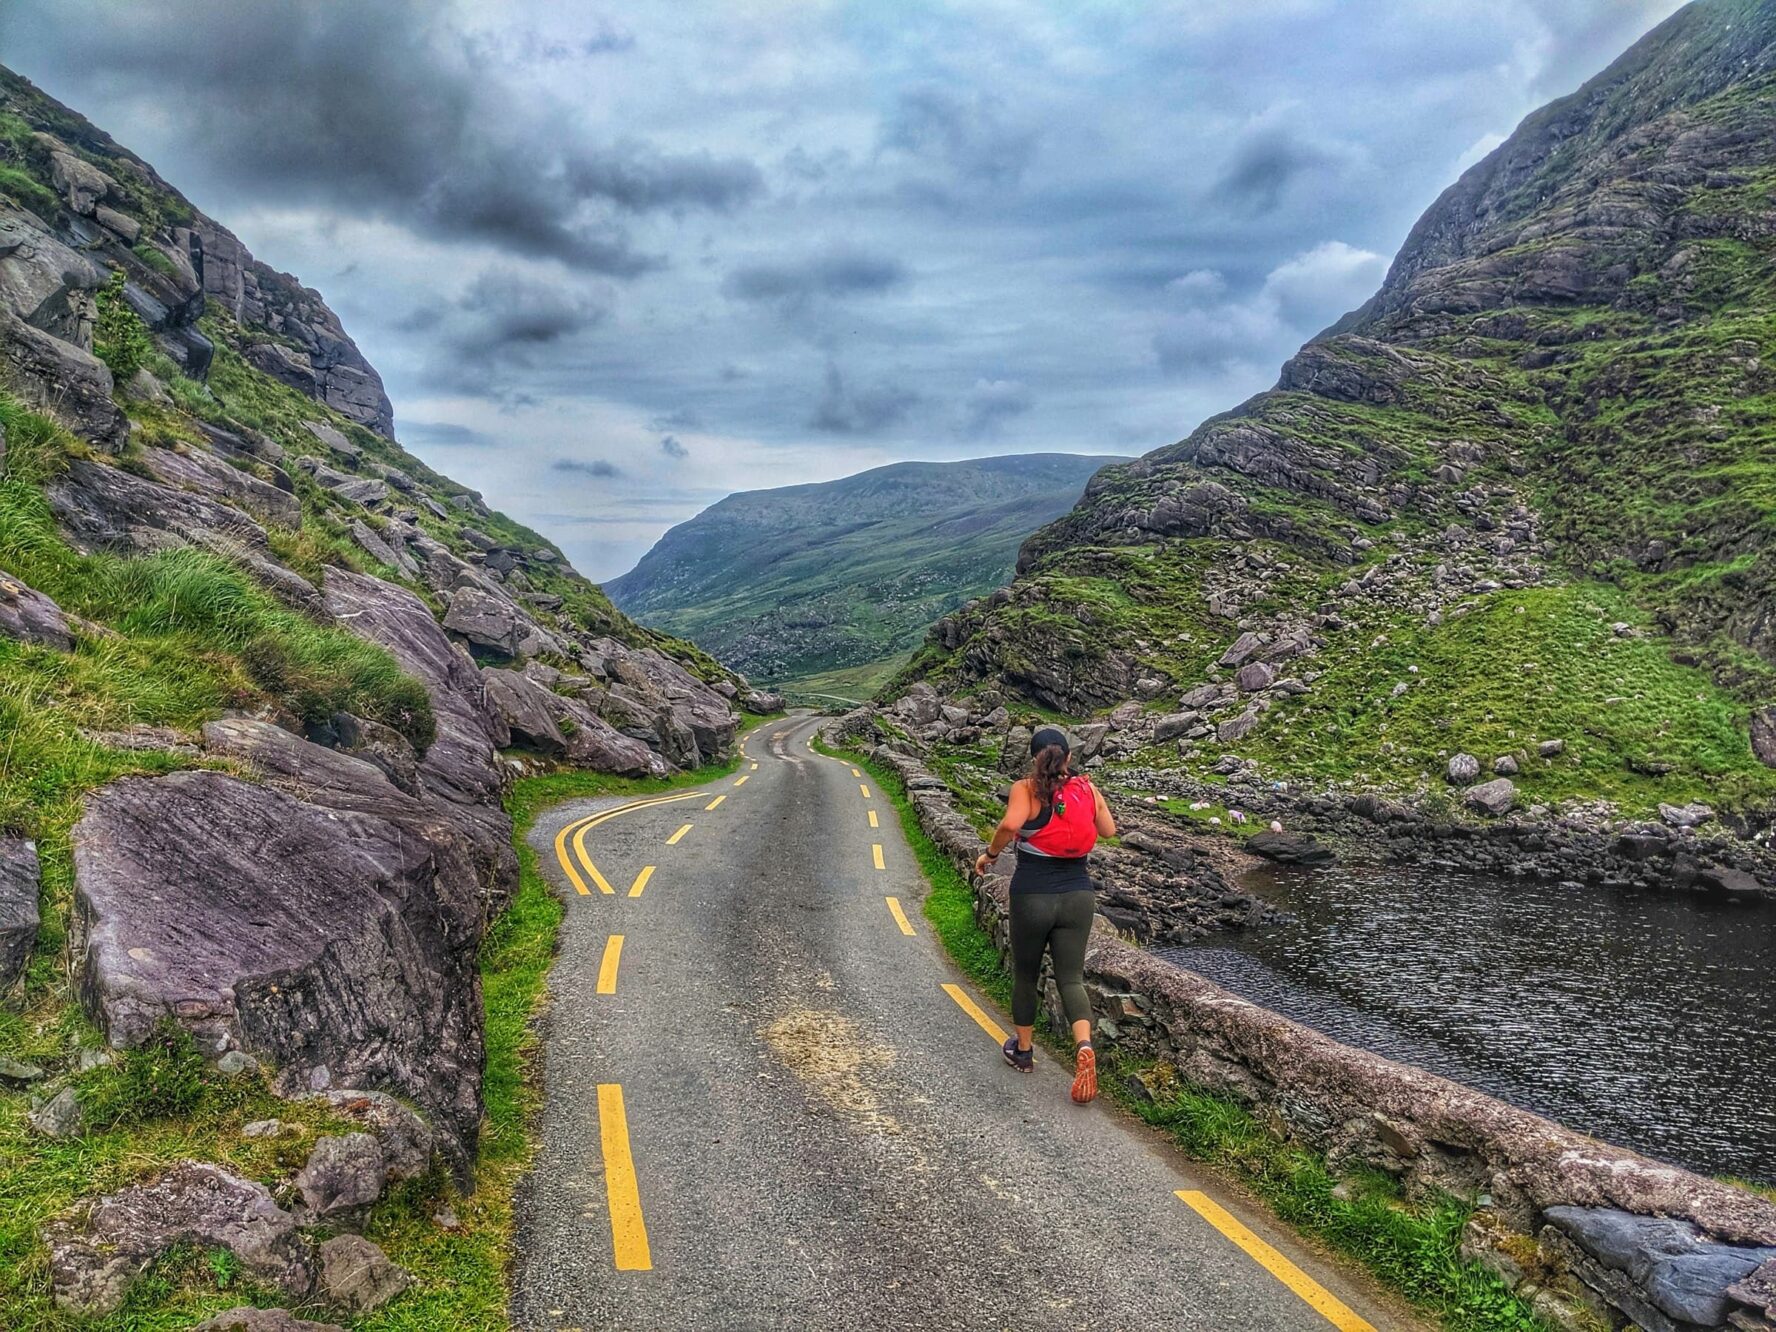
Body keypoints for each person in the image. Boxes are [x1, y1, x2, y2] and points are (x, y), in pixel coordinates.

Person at [973, 726, 1116, 1103]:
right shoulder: (1087, 788)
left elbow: (1010, 825)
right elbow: (1109, 830)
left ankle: (1023, 1052)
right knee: (1071, 979)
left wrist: (990, 854)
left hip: (1033, 893)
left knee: (1026, 973)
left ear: (1034, 758)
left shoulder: (1026, 789)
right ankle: (1084, 1047)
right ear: (1068, 757)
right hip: (1078, 894)